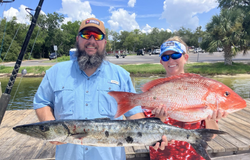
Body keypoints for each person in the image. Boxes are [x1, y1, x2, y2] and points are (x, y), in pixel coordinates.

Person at [33, 17, 167, 160]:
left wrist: (154, 131)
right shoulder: (55, 72)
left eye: (97, 36)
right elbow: (42, 102)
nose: (91, 40)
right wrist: (52, 129)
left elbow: (133, 114)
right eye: (86, 35)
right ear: (78, 39)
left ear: (104, 42)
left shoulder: (121, 76)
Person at [144, 36, 228, 160]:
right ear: (161, 61)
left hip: (194, 156)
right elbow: (145, 134)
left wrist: (210, 116)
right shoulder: (155, 92)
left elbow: (211, 135)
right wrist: (158, 120)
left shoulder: (200, 87)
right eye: (166, 57)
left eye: (176, 55)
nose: (171, 60)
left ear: (186, 57)